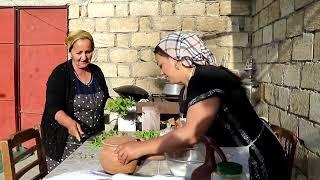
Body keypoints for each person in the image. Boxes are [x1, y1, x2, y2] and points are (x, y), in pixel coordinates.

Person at [115, 32, 288, 180]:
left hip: (259, 161)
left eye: (161, 65)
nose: (161, 72)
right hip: (236, 158)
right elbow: (191, 135)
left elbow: (191, 134)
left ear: (176, 59)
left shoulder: (205, 78)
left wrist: (139, 149)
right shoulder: (192, 83)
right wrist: (149, 149)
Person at [41, 30, 110, 172]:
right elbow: (53, 108)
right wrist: (69, 123)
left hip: (93, 141)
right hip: (64, 142)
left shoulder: (96, 72)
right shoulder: (60, 74)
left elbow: (105, 98)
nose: (84, 57)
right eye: (79, 53)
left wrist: (119, 106)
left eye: (88, 52)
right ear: (70, 51)